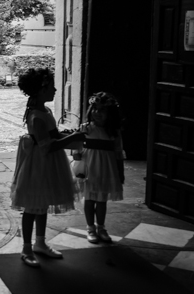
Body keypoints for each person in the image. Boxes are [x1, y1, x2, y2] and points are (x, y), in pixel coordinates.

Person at [10, 67, 86, 267]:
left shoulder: (46, 110)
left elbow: (55, 136)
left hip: (49, 161)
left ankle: (40, 242)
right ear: (42, 89)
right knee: (32, 206)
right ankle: (26, 247)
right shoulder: (36, 116)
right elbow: (47, 146)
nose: (55, 90)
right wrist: (74, 138)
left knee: (42, 203)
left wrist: (73, 136)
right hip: (39, 163)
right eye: (52, 86)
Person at [74, 91, 125, 243]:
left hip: (106, 170)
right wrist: (78, 162)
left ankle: (101, 227)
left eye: (102, 110)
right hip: (90, 169)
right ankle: (90, 228)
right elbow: (77, 147)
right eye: (95, 109)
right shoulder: (86, 128)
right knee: (89, 199)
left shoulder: (113, 132)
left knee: (102, 200)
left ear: (110, 114)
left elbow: (118, 153)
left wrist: (120, 172)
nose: (97, 113)